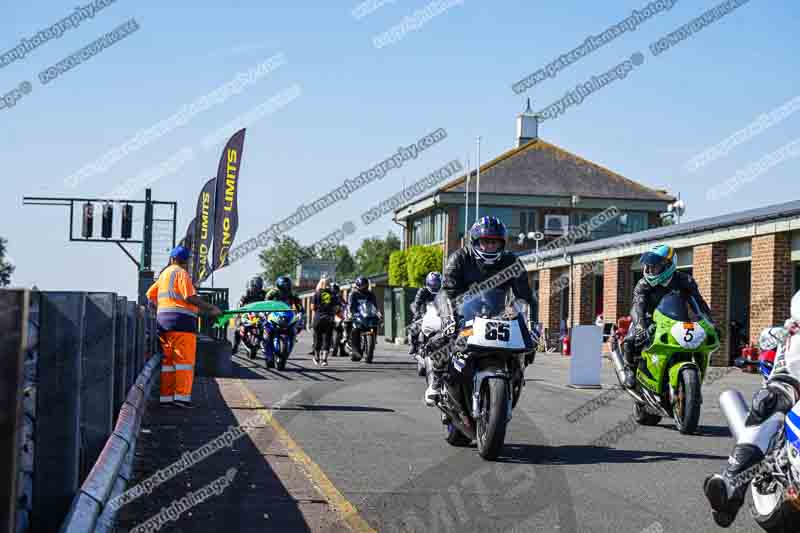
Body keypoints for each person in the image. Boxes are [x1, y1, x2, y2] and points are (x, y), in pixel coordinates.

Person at [703, 290, 800, 528]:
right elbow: (774, 338)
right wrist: (779, 334)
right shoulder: (792, 326)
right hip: (793, 378)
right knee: (768, 402)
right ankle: (730, 487)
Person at [424, 216, 534, 406]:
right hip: (465, 316)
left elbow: (525, 295)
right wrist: (448, 317)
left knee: (528, 345)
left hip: (498, 316)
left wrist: (531, 322)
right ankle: (437, 381)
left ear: (502, 243)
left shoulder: (511, 261)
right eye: (485, 241)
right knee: (442, 341)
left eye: (494, 242)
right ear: (475, 241)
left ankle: (516, 377)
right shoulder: (460, 258)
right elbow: (445, 292)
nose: (490, 246)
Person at [621, 244, 716, 389]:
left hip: (677, 320)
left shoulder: (685, 280)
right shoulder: (643, 284)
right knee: (630, 340)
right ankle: (630, 370)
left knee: (697, 342)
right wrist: (640, 326)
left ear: (668, 266)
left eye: (654, 266)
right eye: (648, 266)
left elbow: (699, 302)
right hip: (648, 318)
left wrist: (709, 322)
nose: (650, 270)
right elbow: (637, 306)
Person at [146, 246, 222, 408]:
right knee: (184, 362)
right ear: (186, 261)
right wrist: (211, 308)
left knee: (168, 363)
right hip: (182, 324)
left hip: (163, 324)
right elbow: (189, 297)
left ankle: (166, 398)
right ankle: (181, 398)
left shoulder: (164, 275)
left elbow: (150, 295)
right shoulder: (182, 273)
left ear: (172, 259)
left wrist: (161, 310)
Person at [264, 276, 304, 359]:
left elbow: (299, 305)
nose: (285, 289)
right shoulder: (272, 292)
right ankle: (268, 354)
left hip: (287, 314)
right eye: (283, 287)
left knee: (295, 328)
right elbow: (266, 303)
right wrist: (266, 311)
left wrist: (300, 313)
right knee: (268, 331)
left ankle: (291, 341)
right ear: (279, 286)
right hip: (274, 313)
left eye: (287, 286)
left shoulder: (292, 294)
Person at [346, 276, 381, 359]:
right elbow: (350, 305)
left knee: (375, 324)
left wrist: (378, 312)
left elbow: (374, 305)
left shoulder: (370, 294)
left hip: (368, 314)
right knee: (353, 327)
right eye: (362, 285)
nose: (363, 287)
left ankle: (373, 341)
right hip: (357, 314)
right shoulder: (353, 294)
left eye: (365, 285)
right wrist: (350, 313)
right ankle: (353, 346)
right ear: (358, 285)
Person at [408, 272, 442, 355]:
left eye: (437, 284)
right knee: (415, 326)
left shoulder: (443, 291)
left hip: (438, 314)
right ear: (428, 283)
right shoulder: (422, 291)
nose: (435, 286)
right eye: (433, 284)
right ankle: (413, 345)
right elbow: (417, 303)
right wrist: (417, 313)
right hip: (424, 313)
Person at [232, 276, 267, 354]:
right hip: (248, 313)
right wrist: (239, 312)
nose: (255, 288)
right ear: (250, 285)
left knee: (268, 327)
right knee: (238, 329)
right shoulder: (246, 294)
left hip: (260, 314)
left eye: (257, 285)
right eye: (254, 285)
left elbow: (269, 303)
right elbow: (240, 304)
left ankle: (266, 346)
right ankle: (235, 346)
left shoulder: (264, 294)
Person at [311, 277, 339, 366]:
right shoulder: (333, 294)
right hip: (329, 319)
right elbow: (336, 308)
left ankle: (316, 358)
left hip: (318, 318)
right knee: (327, 339)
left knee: (317, 338)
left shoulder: (316, 294)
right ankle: (324, 360)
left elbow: (312, 308)